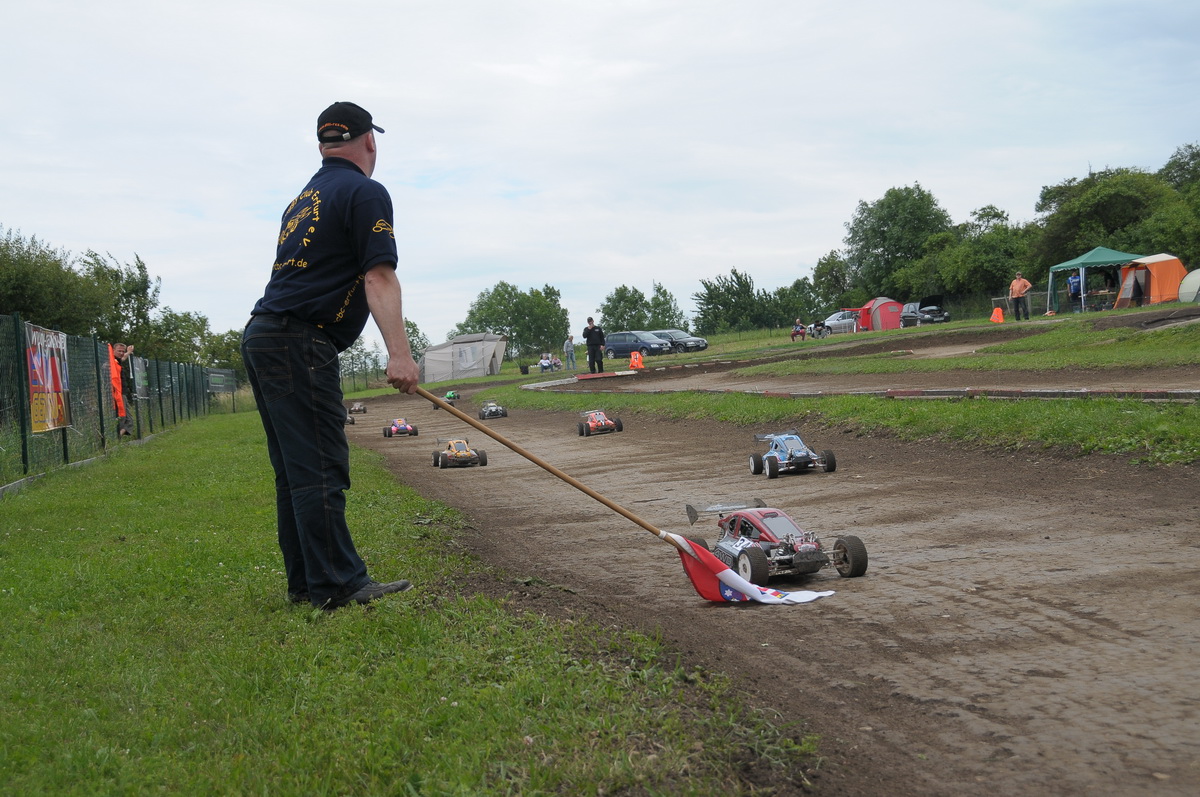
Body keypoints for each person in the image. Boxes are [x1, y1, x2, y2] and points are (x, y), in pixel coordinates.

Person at [242, 101, 420, 611]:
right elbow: (378, 276)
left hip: (265, 335)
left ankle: (307, 583)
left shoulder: (303, 200)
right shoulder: (365, 192)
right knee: (320, 464)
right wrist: (400, 354)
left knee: (296, 470)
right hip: (298, 341)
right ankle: (338, 584)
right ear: (369, 142)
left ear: (324, 145)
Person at [110, 342, 134, 436]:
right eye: (119, 351)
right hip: (118, 393)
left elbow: (123, 358)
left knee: (127, 419)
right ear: (113, 350)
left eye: (122, 351)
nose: (121, 353)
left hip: (122, 393)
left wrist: (128, 352)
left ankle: (117, 436)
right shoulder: (111, 362)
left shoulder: (117, 360)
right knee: (124, 418)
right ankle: (116, 437)